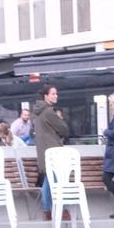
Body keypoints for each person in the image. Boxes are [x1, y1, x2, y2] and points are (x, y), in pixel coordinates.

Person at [31, 84, 68, 218]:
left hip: (44, 151)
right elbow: (64, 129)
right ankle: (60, 209)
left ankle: (48, 210)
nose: (56, 96)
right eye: (53, 94)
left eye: (56, 93)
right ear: (46, 96)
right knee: (57, 180)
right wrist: (61, 120)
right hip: (53, 151)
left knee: (49, 179)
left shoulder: (37, 112)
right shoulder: (48, 112)